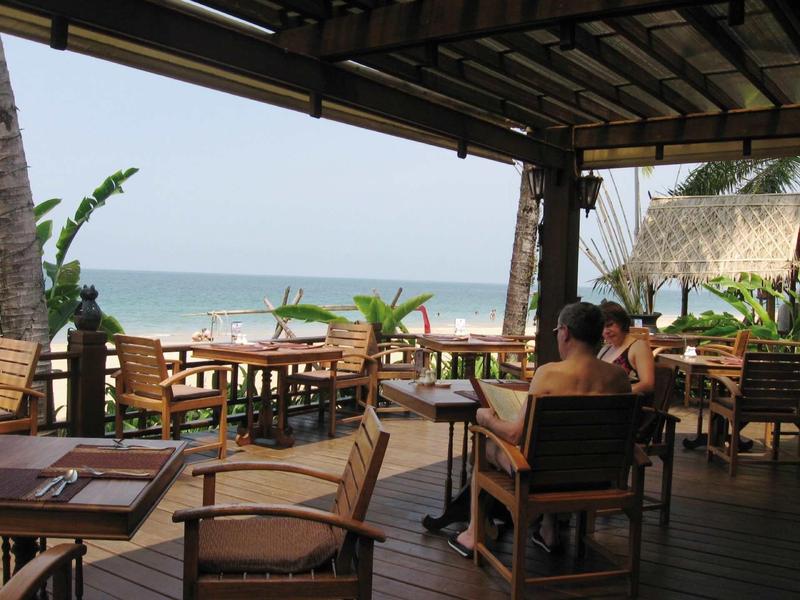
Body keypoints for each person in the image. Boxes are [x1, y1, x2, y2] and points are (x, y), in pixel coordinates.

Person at [448, 302, 631, 558]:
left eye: (557, 331)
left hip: (543, 478)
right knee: (564, 446)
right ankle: (549, 529)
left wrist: (486, 418)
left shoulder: (548, 374)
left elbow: (514, 434)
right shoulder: (618, 377)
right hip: (600, 476)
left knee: (485, 445)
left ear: (565, 332)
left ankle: (473, 532)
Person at [597, 301, 655, 396]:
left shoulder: (638, 347)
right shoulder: (605, 349)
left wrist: (613, 394)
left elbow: (648, 384)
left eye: (610, 325)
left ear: (622, 322)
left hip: (627, 405)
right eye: (602, 327)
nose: (606, 331)